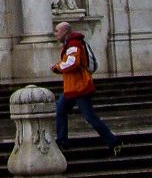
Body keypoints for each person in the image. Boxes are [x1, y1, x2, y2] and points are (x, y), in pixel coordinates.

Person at [51, 20, 119, 154]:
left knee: (89, 117)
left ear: (65, 31)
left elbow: (72, 63)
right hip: (72, 87)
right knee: (60, 110)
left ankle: (113, 141)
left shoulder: (74, 44)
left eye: (57, 31)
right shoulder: (70, 43)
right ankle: (62, 140)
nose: (55, 34)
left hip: (79, 87)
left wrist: (57, 67)